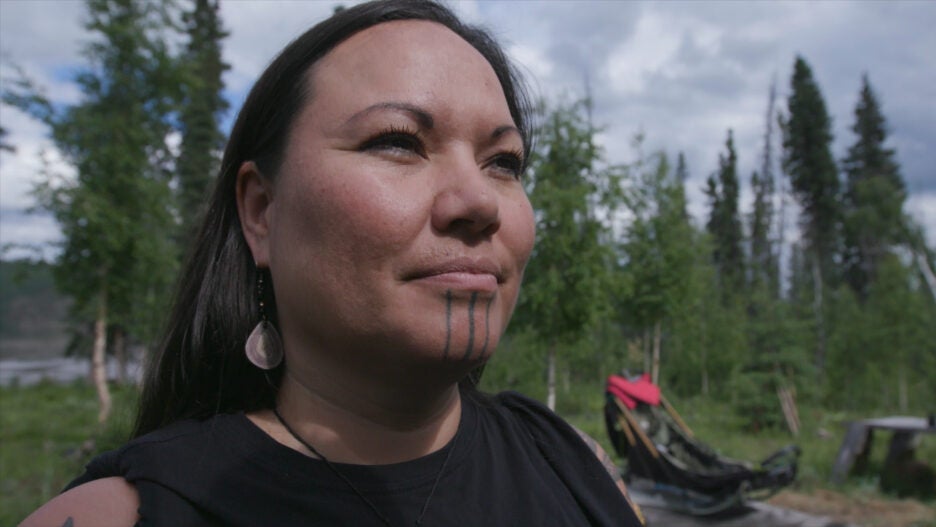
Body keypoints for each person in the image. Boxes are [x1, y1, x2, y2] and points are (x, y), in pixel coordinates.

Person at [21, 1, 645, 525]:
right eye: (398, 142)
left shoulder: (576, 466)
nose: (480, 202)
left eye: (503, 162)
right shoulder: (120, 515)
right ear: (262, 211)